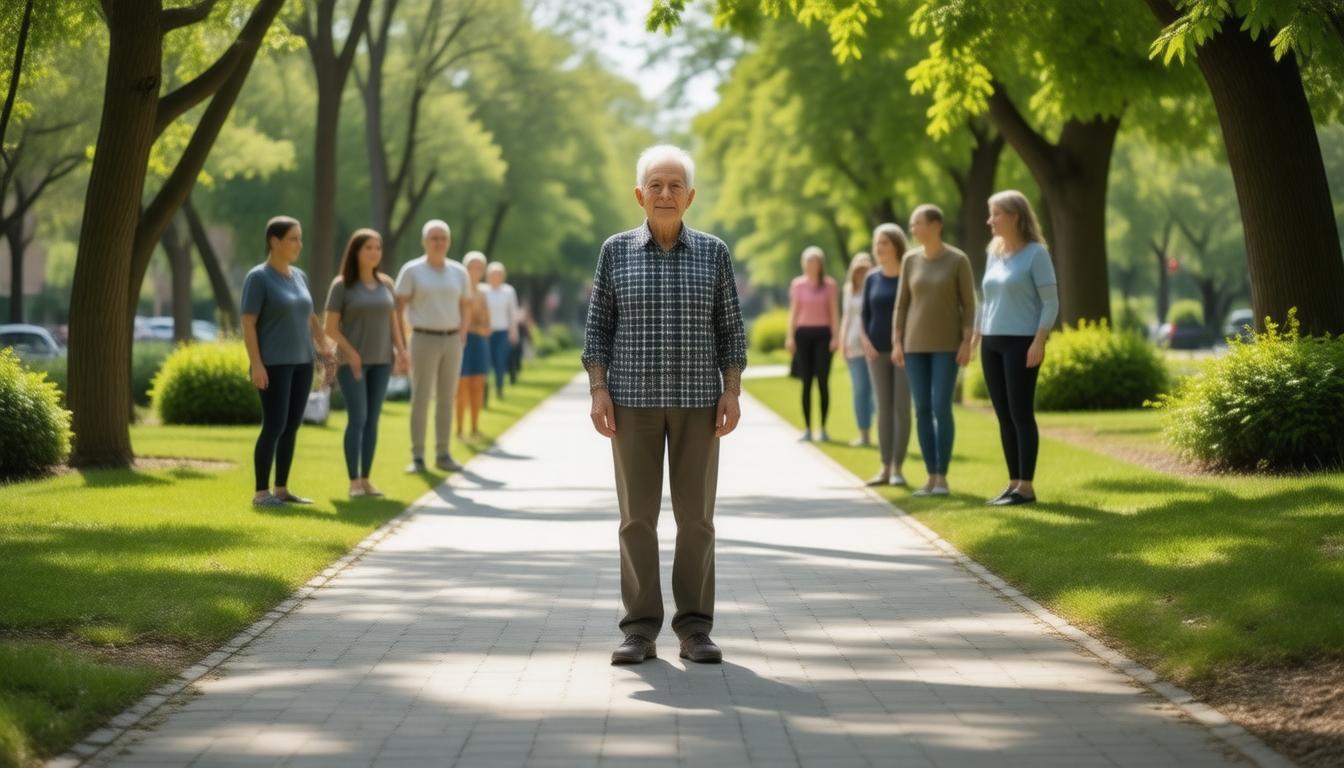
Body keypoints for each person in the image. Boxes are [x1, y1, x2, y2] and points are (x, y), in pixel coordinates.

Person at [583, 144, 747, 667]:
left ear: (691, 196)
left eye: (675, 185)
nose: (665, 194)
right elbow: (598, 328)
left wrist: (732, 389)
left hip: (699, 403)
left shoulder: (715, 252)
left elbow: (731, 329)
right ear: (639, 194)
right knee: (637, 519)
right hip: (633, 404)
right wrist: (598, 390)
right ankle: (639, 630)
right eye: (655, 185)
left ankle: (696, 629)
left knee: (697, 519)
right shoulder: (615, 251)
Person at [240, 216, 334, 508]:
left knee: (292, 425)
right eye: (293, 238)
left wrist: (324, 349)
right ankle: (260, 493)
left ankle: (281, 489)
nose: (299, 244)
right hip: (274, 365)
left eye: (300, 238)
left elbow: (310, 316)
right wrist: (256, 364)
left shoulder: (299, 277)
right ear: (274, 241)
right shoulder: (258, 278)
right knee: (274, 424)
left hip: (302, 363)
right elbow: (247, 324)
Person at [976, 190, 1059, 506]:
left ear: (1015, 216)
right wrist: (977, 335)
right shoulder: (993, 252)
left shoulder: (1036, 254)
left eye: (995, 213)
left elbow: (1051, 302)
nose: (990, 220)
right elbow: (987, 301)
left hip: (1022, 342)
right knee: (1003, 416)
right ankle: (1013, 484)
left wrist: (1039, 340)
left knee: (1020, 414)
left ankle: (1026, 487)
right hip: (991, 341)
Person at [892, 204, 976, 497]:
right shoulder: (910, 261)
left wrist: (968, 341)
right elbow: (902, 303)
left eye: (917, 224)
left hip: (947, 347)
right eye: (912, 224)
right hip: (914, 347)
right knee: (922, 410)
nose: (913, 229)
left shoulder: (957, 260)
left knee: (941, 406)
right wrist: (897, 341)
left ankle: (942, 476)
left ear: (935, 225)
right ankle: (930, 477)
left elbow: (969, 304)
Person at [324, 229, 407, 498]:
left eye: (378, 247)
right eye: (369, 247)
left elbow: (393, 321)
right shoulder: (341, 285)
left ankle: (367, 479)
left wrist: (401, 351)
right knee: (357, 418)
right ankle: (353, 481)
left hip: (382, 361)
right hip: (352, 365)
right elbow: (330, 328)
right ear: (356, 252)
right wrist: (352, 354)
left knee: (372, 420)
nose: (374, 252)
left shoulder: (387, 284)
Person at [395, 220, 469, 473]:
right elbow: (399, 307)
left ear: (448, 242)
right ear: (424, 241)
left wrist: (462, 333)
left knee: (447, 398)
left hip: (451, 340)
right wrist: (401, 345)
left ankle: (443, 453)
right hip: (422, 338)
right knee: (421, 397)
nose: (438, 242)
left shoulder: (459, 271)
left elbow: (466, 305)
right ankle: (417, 456)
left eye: (443, 238)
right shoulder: (412, 270)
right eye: (433, 238)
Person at [861, 223, 913, 487]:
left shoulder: (909, 273)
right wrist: (866, 342)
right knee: (883, 408)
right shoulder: (871, 277)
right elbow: (864, 316)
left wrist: (901, 343)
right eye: (877, 243)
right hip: (875, 352)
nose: (878, 247)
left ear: (896, 245)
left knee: (901, 408)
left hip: (903, 352)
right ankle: (883, 468)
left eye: (884, 243)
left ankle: (897, 469)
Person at [787, 246, 839, 442]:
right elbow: (794, 312)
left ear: (820, 264)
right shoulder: (798, 285)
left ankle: (823, 429)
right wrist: (790, 336)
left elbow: (834, 312)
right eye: (807, 261)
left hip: (823, 336)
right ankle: (808, 429)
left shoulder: (830, 285)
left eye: (813, 261)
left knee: (823, 382)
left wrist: (836, 336)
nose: (810, 264)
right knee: (806, 382)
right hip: (803, 335)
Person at [838, 252, 875, 447]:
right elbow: (846, 317)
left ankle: (879, 428)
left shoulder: (876, 285)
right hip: (853, 345)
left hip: (873, 346)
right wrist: (842, 342)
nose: (862, 272)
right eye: (859, 268)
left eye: (865, 268)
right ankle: (864, 434)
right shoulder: (849, 289)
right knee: (860, 390)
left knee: (876, 392)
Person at [457, 252, 491, 440]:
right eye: (472, 266)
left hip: (479, 343)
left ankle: (475, 427)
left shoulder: (483, 293)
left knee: (478, 384)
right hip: (463, 342)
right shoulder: (459, 290)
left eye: (479, 267)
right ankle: (459, 429)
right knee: (461, 385)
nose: (475, 271)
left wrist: (476, 326)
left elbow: (487, 325)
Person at [482, 261, 520, 399]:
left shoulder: (508, 291)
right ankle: (484, 392)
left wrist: (513, 332)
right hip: (486, 333)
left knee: (500, 362)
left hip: (502, 332)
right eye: (493, 274)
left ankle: (499, 388)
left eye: (498, 274)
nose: (495, 277)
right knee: (485, 363)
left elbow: (512, 313)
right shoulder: (483, 290)